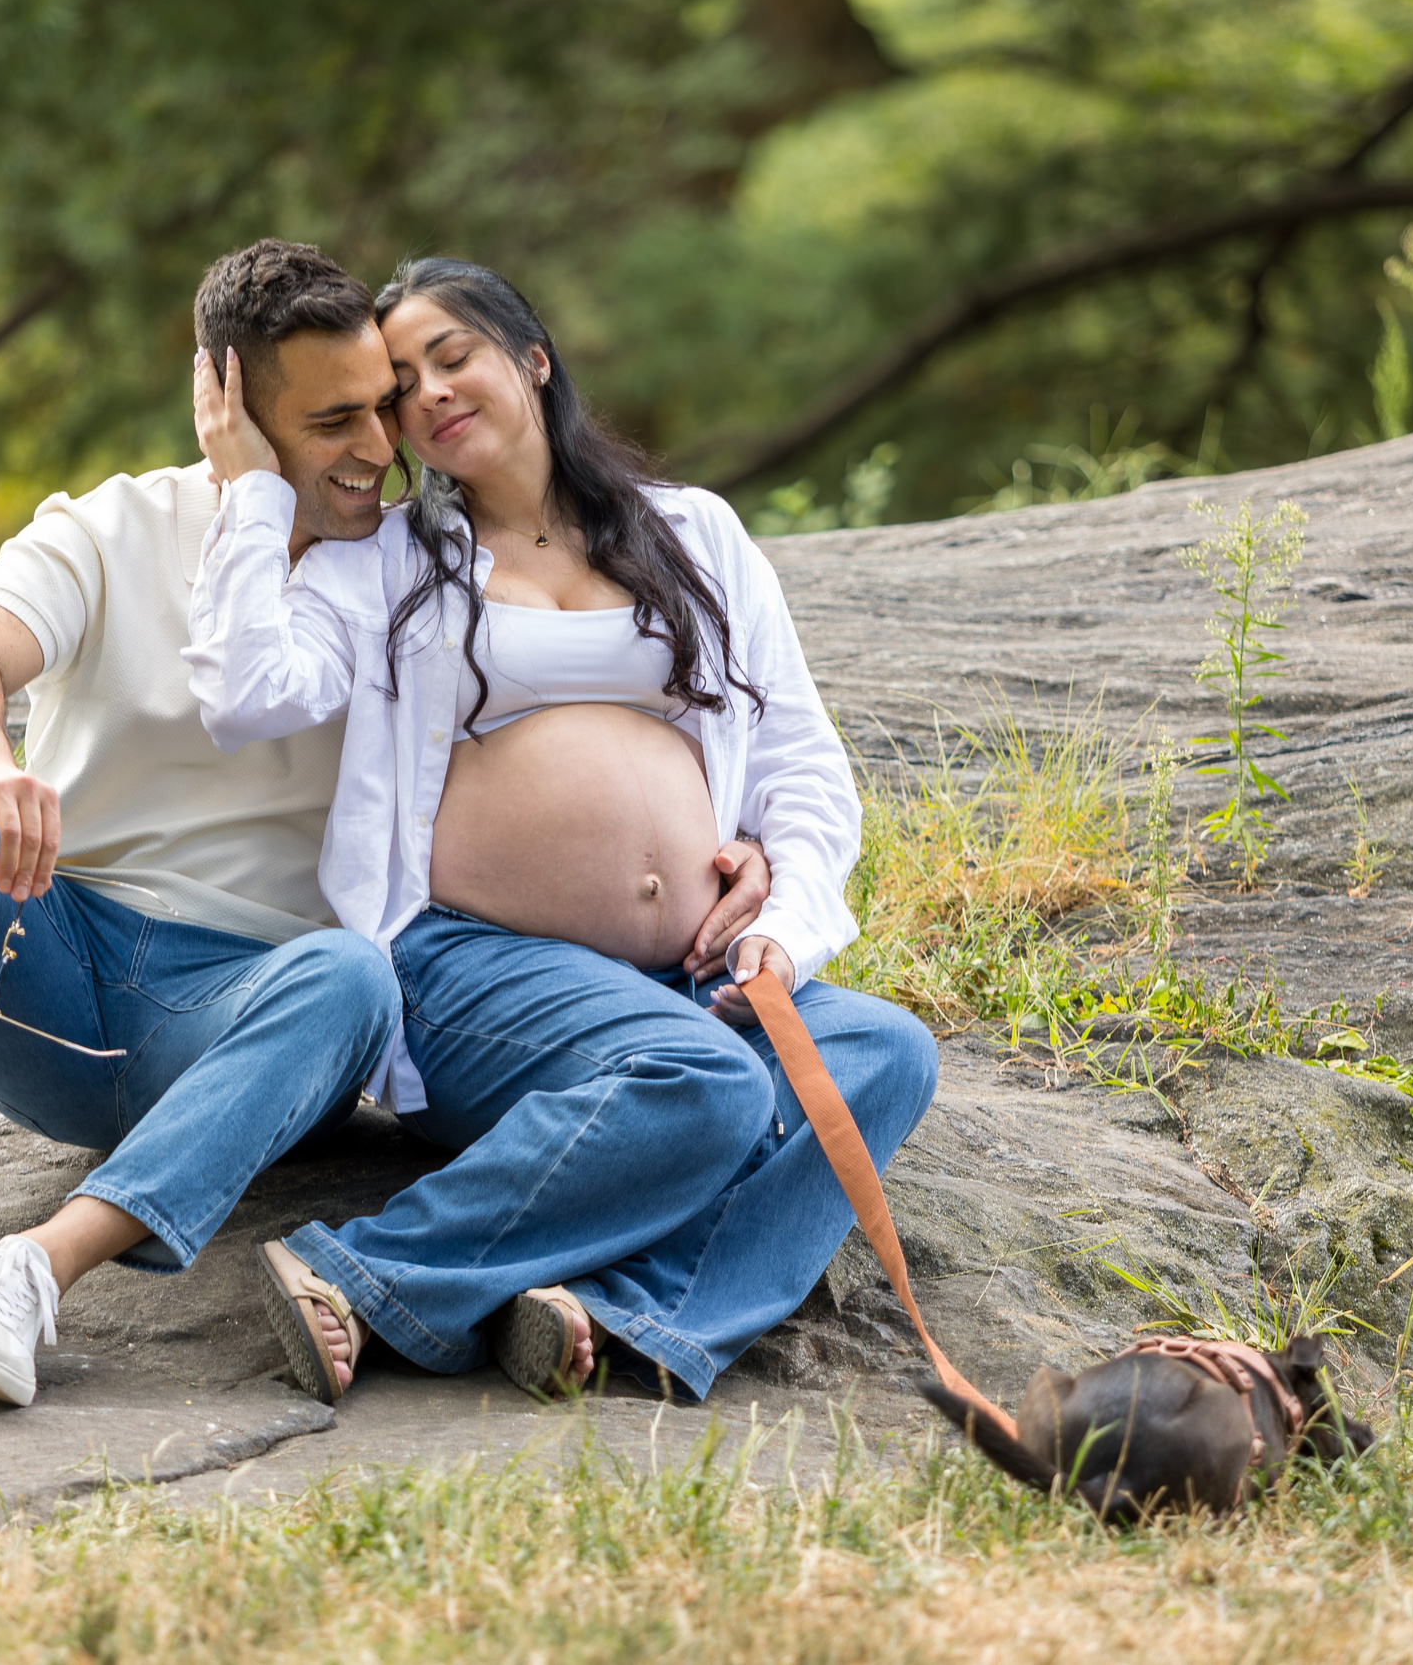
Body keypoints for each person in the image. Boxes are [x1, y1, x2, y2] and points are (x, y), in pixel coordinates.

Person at [185, 255, 939, 1406]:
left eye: (454, 357)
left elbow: (797, 757)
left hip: (688, 973)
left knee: (885, 1053)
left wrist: (782, 919)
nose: (427, 393)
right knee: (704, 1082)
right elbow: (247, 697)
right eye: (401, 385)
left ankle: (613, 1312)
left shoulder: (695, 533)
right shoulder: (382, 563)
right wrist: (248, 491)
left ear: (531, 358)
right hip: (471, 966)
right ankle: (360, 1272)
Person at [0, 242, 524, 1408]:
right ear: (226, 406)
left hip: (247, 1012)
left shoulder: (417, 577)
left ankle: (37, 1270)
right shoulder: (122, 526)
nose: (378, 450)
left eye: (381, 409)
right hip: (53, 962)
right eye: (334, 420)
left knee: (350, 977)